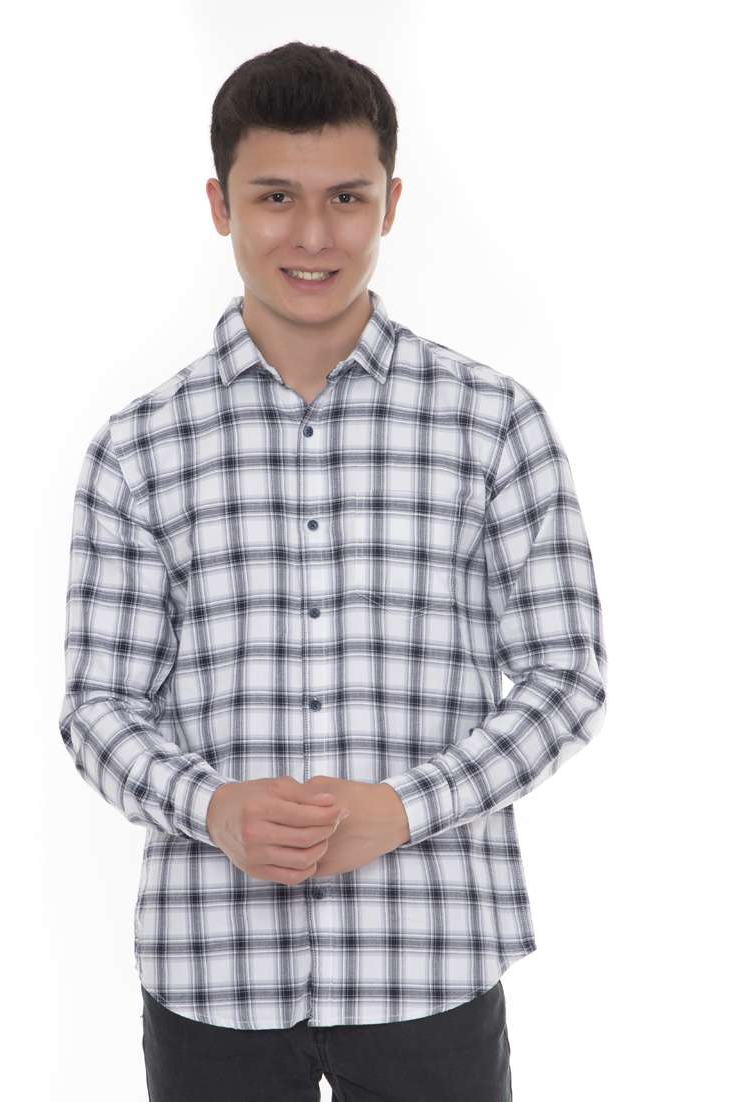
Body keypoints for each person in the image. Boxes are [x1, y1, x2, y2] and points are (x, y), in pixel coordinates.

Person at [58, 40, 608, 1102]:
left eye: (345, 197)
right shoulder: (139, 448)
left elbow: (565, 677)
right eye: (275, 197)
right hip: (213, 968)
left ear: (390, 204)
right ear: (219, 205)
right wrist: (212, 807)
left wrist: (404, 808)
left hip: (429, 957)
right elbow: (98, 705)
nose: (312, 236)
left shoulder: (492, 425)